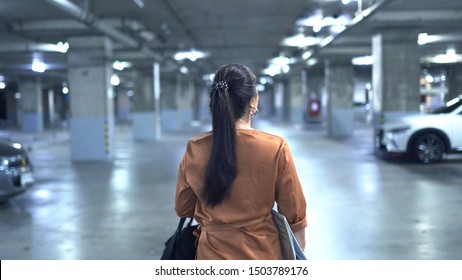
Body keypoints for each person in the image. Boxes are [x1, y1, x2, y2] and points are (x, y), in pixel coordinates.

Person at [175, 63, 307, 260]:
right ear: (253, 101)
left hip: (211, 256)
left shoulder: (195, 148)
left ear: (215, 102)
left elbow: (183, 207)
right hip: (264, 255)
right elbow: (293, 213)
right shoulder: (275, 147)